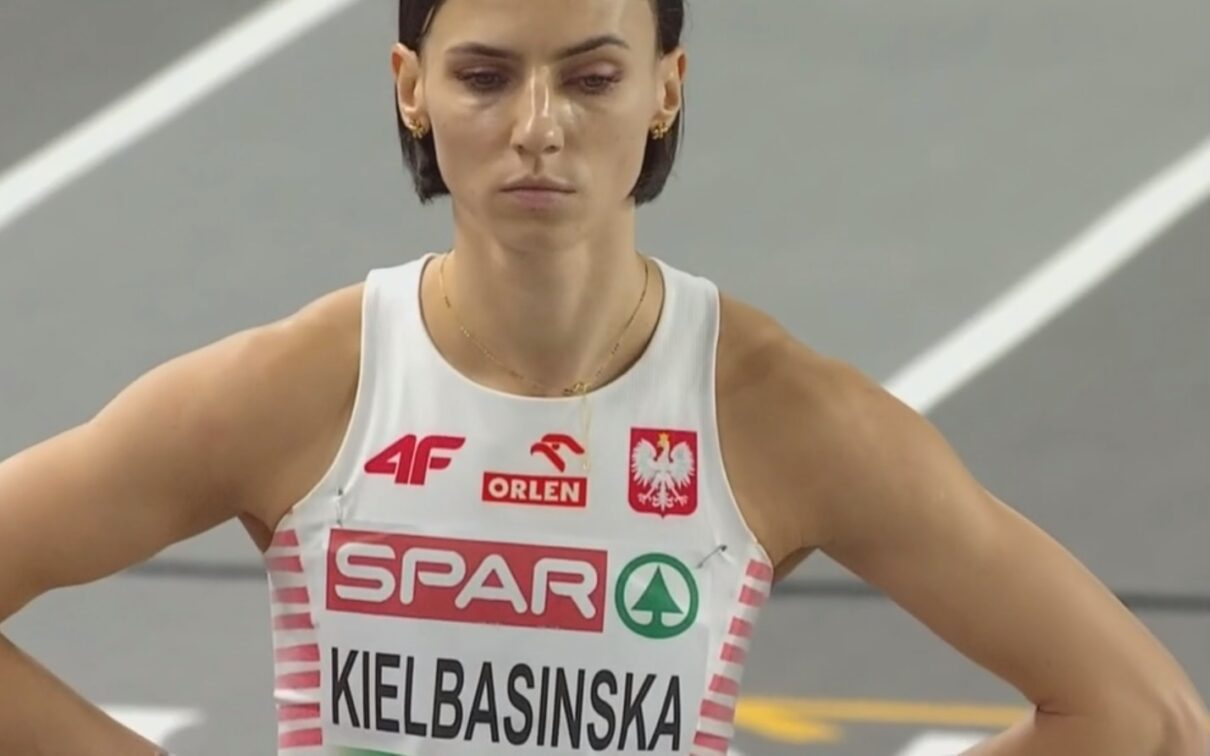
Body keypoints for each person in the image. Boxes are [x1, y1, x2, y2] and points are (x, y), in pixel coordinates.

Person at [1, 0, 1206, 754]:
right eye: (484, 77)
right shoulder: (297, 392)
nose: (538, 126)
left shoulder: (776, 418)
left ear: (666, 88)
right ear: (410, 88)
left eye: (589, 78)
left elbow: (1144, 721)